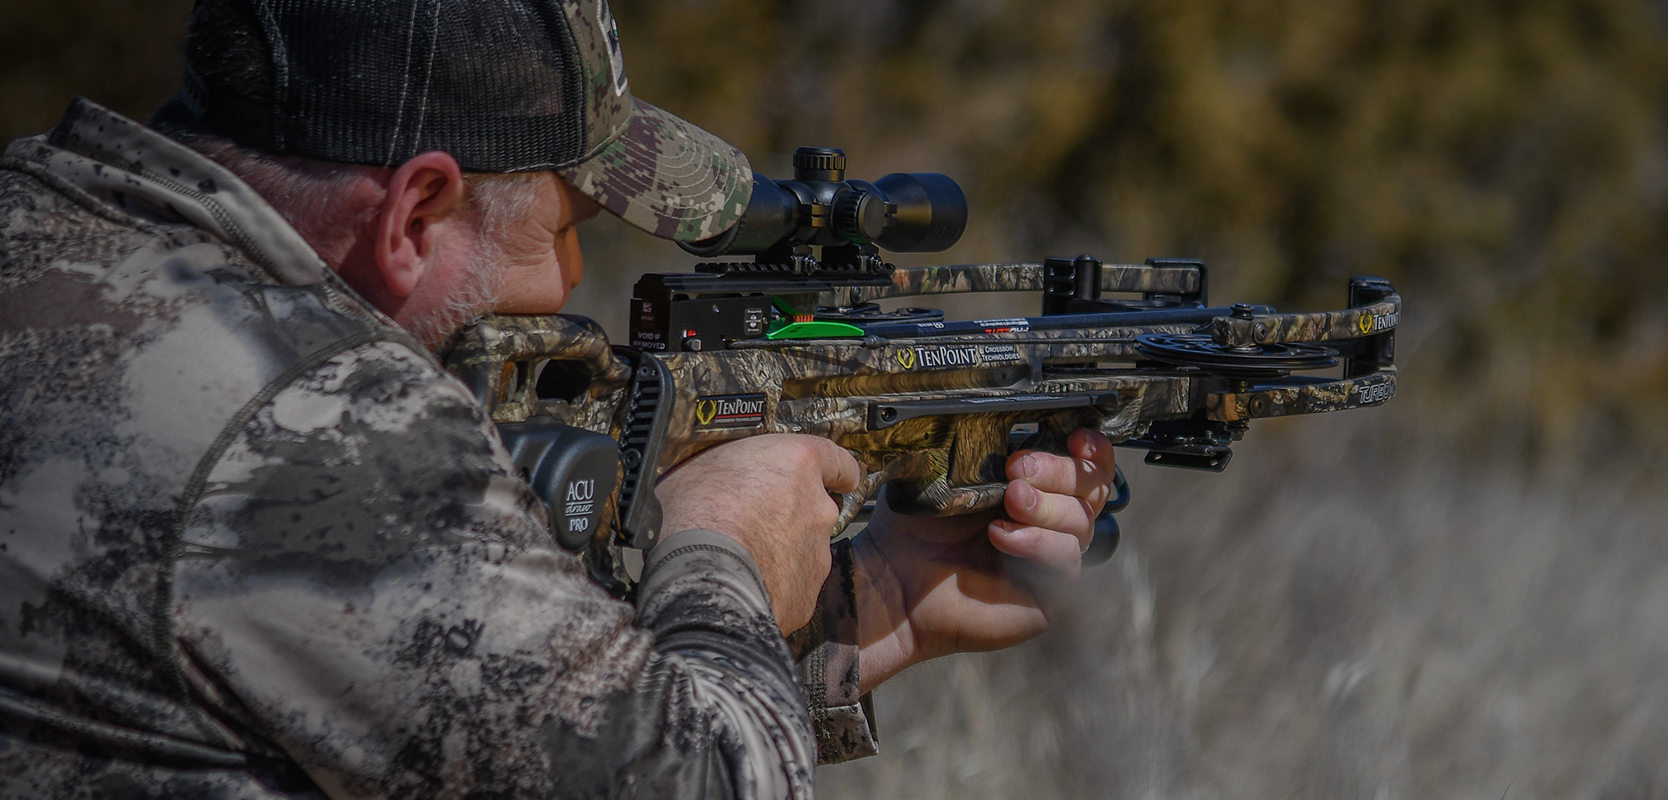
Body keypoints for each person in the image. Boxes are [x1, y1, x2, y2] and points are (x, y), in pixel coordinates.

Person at [0, 0, 1116, 797]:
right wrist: (721, 543)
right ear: (416, 212)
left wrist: (877, 602)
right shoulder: (308, 420)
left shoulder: (44, 233)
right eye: (565, 226)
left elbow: (457, 717)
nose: (570, 284)